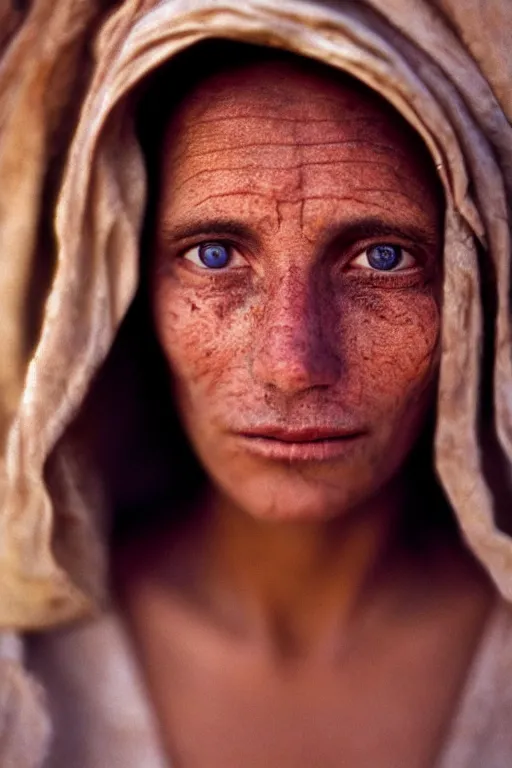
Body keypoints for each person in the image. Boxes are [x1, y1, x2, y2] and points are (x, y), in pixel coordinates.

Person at [0, 2, 511, 767]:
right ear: (121, 291)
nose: (293, 364)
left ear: (475, 296)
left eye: (382, 259)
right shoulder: (26, 671)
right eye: (213, 255)